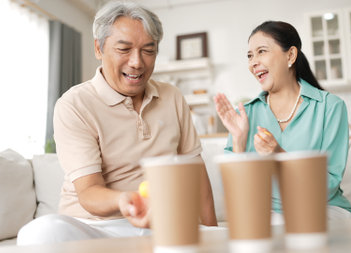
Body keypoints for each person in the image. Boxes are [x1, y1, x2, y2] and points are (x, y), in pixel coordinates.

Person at [17, 1, 217, 245]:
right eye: (124, 49)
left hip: (161, 222)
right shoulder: (74, 104)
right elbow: (89, 191)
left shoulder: (172, 96)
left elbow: (196, 173)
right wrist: (125, 200)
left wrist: (212, 234)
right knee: (38, 234)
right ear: (98, 49)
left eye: (148, 50)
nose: (137, 62)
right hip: (96, 227)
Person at [214, 21, 351, 221]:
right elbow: (236, 195)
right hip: (269, 214)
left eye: (261, 51)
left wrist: (279, 155)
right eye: (250, 55)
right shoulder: (246, 114)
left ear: (290, 55)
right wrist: (238, 142)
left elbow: (328, 185)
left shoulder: (329, 107)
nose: (253, 62)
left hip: (323, 208)